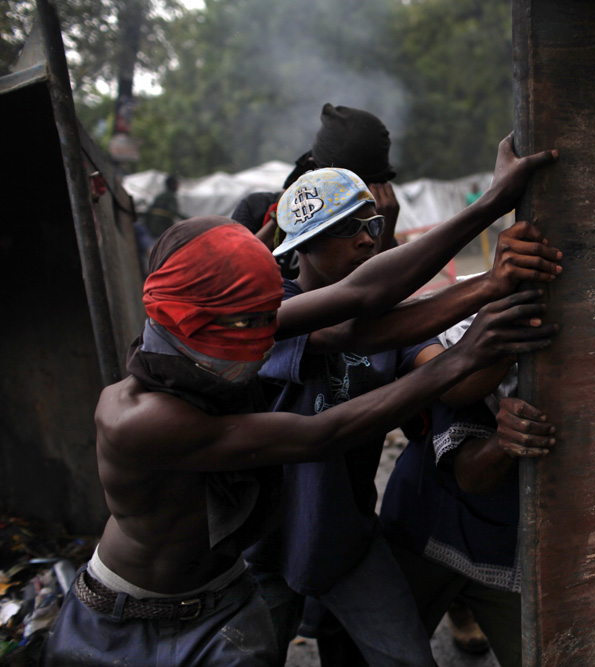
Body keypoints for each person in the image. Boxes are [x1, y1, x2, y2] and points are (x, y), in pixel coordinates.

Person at [41, 135, 558, 666]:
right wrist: (463, 352)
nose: (266, 332)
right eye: (249, 321)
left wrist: (494, 205)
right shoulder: (143, 418)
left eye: (268, 316)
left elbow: (362, 300)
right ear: (193, 323)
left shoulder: (220, 331)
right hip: (132, 613)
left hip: (234, 586)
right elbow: (322, 434)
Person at [243, 165, 563, 666]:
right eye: (346, 229)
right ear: (301, 247)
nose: (367, 240)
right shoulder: (276, 311)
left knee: (406, 658)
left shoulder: (394, 323)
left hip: (344, 539)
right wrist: (487, 287)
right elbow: (351, 326)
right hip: (265, 545)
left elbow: (458, 386)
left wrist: (508, 324)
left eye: (370, 226)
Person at [381, 318, 554, 667]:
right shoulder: (465, 329)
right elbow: (469, 474)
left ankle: (464, 603)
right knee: (382, 646)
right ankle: (460, 605)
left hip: (512, 548)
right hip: (429, 525)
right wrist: (504, 441)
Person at [231, 104, 400, 279]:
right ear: (312, 169)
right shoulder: (256, 209)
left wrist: (381, 233)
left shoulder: (371, 234)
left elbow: (376, 294)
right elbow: (231, 275)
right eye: (337, 186)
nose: (350, 197)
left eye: (362, 187)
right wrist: (285, 216)